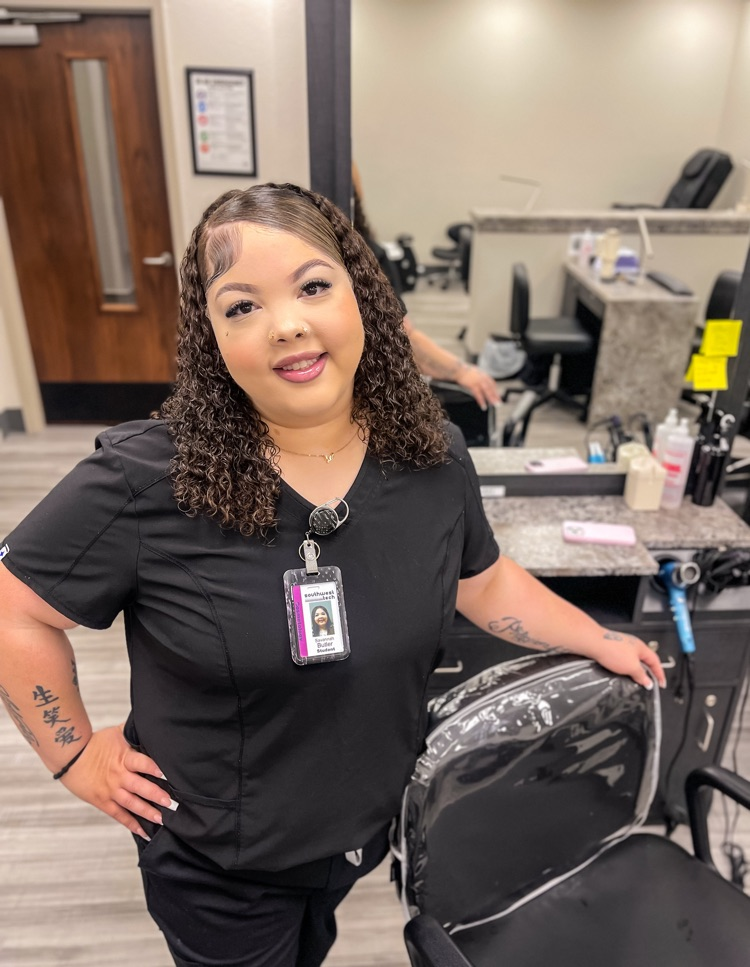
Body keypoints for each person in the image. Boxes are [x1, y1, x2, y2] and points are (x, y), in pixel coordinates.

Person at [0, 183, 665, 967]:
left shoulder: (430, 455)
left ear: (364, 300)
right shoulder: (151, 478)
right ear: (210, 335)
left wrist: (597, 637)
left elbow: (480, 580)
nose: (287, 324)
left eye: (313, 286)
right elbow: (15, 609)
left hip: (357, 838)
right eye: (241, 306)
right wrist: (74, 753)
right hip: (224, 871)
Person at [351, 161, 500, 410]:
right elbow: (401, 337)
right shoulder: (360, 257)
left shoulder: (364, 254)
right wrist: (461, 371)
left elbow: (399, 333)